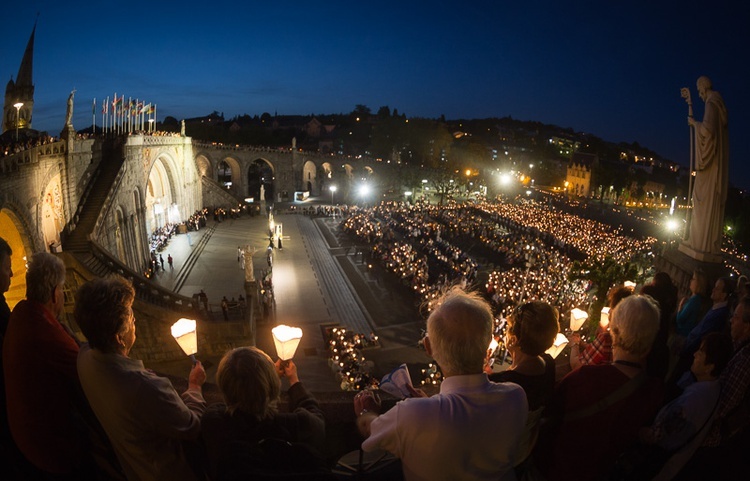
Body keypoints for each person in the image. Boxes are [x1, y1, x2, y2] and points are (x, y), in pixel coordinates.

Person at [355, 287, 528, 480]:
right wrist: (430, 404)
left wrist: (365, 412)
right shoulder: (516, 396)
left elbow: (370, 430)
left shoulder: (412, 414)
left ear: (428, 347)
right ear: (489, 347)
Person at [75, 276, 207, 481]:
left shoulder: (84, 360)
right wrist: (194, 386)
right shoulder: (144, 387)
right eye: (129, 315)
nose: (134, 319)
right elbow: (191, 426)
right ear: (119, 337)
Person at [534, 294, 665, 481]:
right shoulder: (653, 392)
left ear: (615, 332)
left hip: (558, 468)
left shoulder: (586, 378)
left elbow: (548, 412)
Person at [3, 252, 96, 477]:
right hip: (48, 451)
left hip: (21, 436)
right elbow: (91, 372)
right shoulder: (43, 331)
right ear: (55, 294)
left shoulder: (21, 312)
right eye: (62, 291)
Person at [200, 347, 327, 480]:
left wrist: (259, 385)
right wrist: (294, 382)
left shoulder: (214, 422)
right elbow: (317, 422)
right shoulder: (297, 425)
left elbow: (238, 405)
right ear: (274, 386)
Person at [639, 332, 732, 480]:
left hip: (658, 465)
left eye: (701, 351)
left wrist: (638, 431)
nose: (695, 354)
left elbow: (658, 435)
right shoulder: (714, 389)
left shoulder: (694, 399)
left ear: (710, 367)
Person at [488, 300, 559, 474]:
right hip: (525, 452)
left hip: (500, 459)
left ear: (513, 339)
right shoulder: (549, 365)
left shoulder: (503, 383)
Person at [682, 76, 729, 258]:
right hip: (713, 164)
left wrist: (695, 124)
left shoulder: (711, 103)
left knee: (700, 199)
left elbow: (708, 131)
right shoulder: (716, 103)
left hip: (710, 167)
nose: (699, 94)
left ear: (702, 87)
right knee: (699, 200)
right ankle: (696, 239)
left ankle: (698, 241)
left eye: (698, 89)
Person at [569, 285, 632, 370]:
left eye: (612, 307)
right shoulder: (633, 340)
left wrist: (574, 344)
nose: (609, 311)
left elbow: (576, 366)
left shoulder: (608, 339)